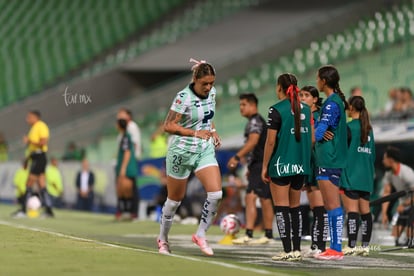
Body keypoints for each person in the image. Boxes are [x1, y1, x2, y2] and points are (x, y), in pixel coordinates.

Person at [157, 58, 222, 256]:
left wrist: (213, 131)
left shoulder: (212, 93)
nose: (209, 87)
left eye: (212, 83)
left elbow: (207, 117)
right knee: (174, 200)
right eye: (205, 83)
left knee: (216, 194)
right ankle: (162, 239)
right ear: (195, 79)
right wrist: (194, 133)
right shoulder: (182, 97)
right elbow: (168, 126)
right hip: (181, 152)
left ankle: (200, 234)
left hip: (203, 149)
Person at [261, 73, 313, 261]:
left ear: (279, 88)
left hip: (281, 165)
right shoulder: (306, 109)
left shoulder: (276, 109)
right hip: (301, 166)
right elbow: (312, 139)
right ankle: (297, 249)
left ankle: (287, 250)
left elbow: (270, 142)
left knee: (281, 208)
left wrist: (265, 165)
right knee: (295, 208)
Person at [228, 93, 274, 245]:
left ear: (253, 105)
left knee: (254, 198)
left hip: (260, 164)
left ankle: (252, 233)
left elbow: (253, 142)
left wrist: (236, 156)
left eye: (244, 104)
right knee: (262, 198)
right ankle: (266, 234)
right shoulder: (256, 120)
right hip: (259, 164)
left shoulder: (255, 121)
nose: (241, 108)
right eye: (240, 104)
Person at [313, 65, 349, 260]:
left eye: (318, 78)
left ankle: (336, 248)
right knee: (329, 205)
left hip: (330, 159)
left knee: (333, 205)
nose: (316, 81)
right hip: (326, 159)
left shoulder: (331, 104)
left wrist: (317, 126)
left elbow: (318, 134)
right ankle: (333, 247)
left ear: (324, 81)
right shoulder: (332, 102)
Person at [340, 96, 376, 256]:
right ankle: (365, 246)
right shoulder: (369, 128)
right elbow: (373, 155)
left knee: (352, 212)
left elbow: (341, 153)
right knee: (366, 212)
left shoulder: (348, 127)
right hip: (366, 177)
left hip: (351, 175)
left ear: (351, 108)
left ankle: (352, 245)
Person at [299, 86, 329, 257]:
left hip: (318, 162)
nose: (302, 98)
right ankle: (314, 244)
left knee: (319, 208)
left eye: (306, 95)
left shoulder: (320, 116)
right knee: (313, 207)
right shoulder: (302, 116)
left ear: (315, 99)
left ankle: (320, 245)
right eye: (301, 95)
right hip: (307, 164)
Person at [16, 110, 54, 218]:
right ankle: (49, 210)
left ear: (35, 117)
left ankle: (23, 210)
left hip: (39, 157)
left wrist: (29, 141)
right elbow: (32, 148)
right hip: (35, 157)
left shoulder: (41, 126)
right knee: (41, 185)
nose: (27, 119)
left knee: (29, 183)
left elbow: (43, 142)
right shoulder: (33, 129)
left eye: (29, 117)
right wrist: (27, 160)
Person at [381, 146, 414, 246]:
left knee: (409, 235)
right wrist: (384, 213)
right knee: (395, 236)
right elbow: (386, 193)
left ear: (391, 160)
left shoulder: (406, 173)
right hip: (404, 206)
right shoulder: (389, 174)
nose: (383, 161)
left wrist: (404, 205)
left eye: (384, 158)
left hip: (411, 205)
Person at [117, 108, 141, 220]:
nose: (119, 116)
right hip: (127, 161)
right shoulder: (122, 134)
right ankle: (125, 210)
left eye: (121, 114)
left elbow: (133, 145)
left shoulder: (131, 127)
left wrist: (130, 160)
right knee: (124, 188)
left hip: (131, 161)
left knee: (130, 187)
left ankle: (132, 212)